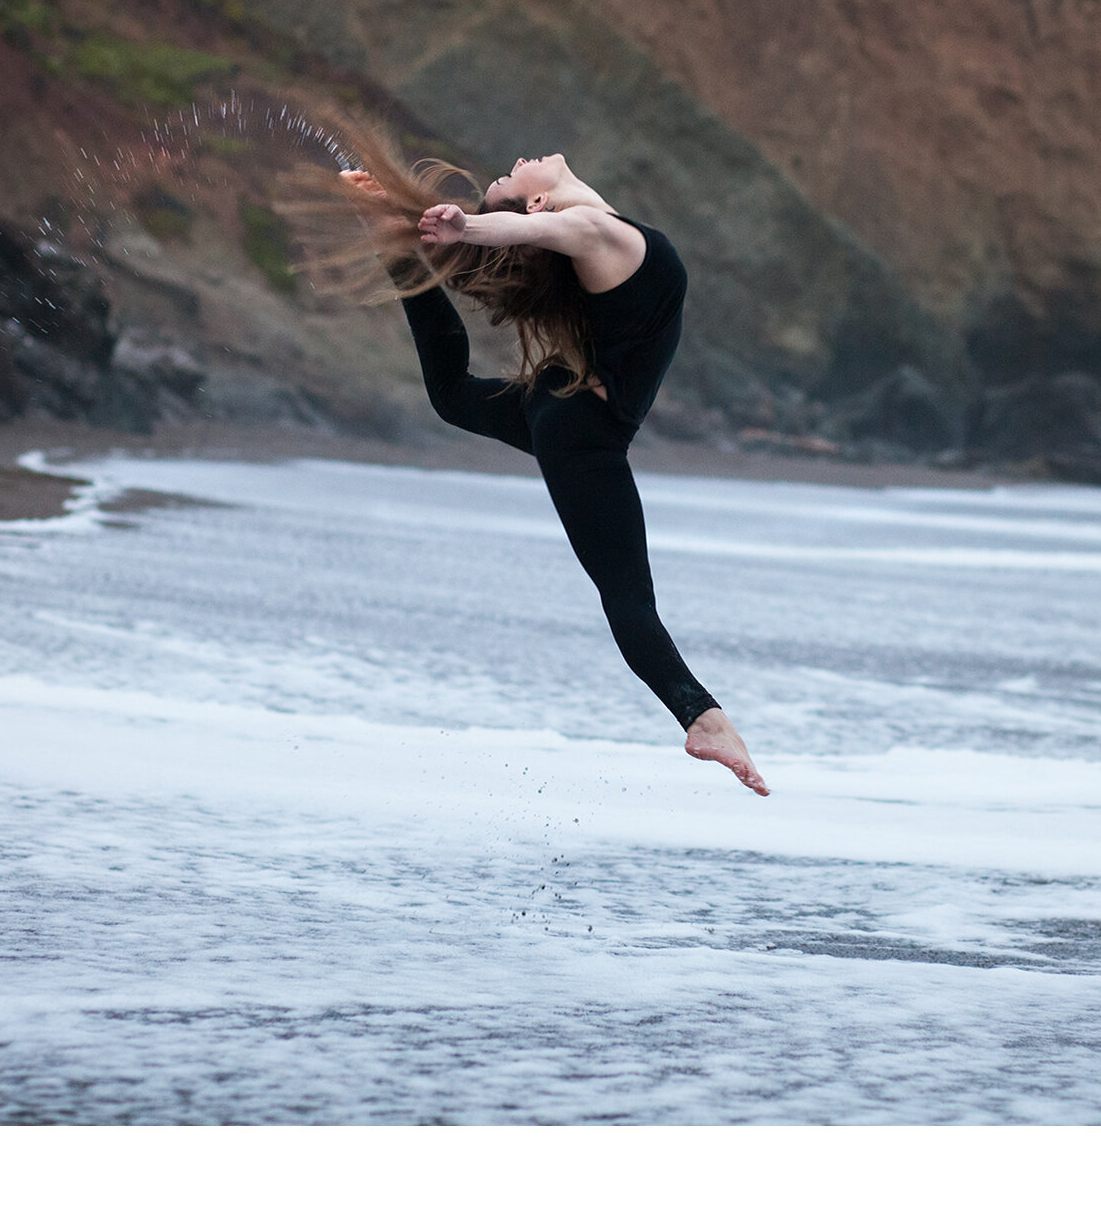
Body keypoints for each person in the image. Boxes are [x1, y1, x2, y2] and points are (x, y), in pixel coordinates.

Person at [276, 122, 767, 794]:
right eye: (510, 180)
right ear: (539, 206)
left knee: (453, 395)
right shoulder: (595, 230)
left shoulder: (590, 221)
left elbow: (540, 231)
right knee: (626, 594)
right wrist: (461, 230)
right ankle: (701, 717)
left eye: (504, 182)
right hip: (578, 427)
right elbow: (540, 234)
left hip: (562, 412)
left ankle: (700, 716)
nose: (513, 164)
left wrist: (431, 226)